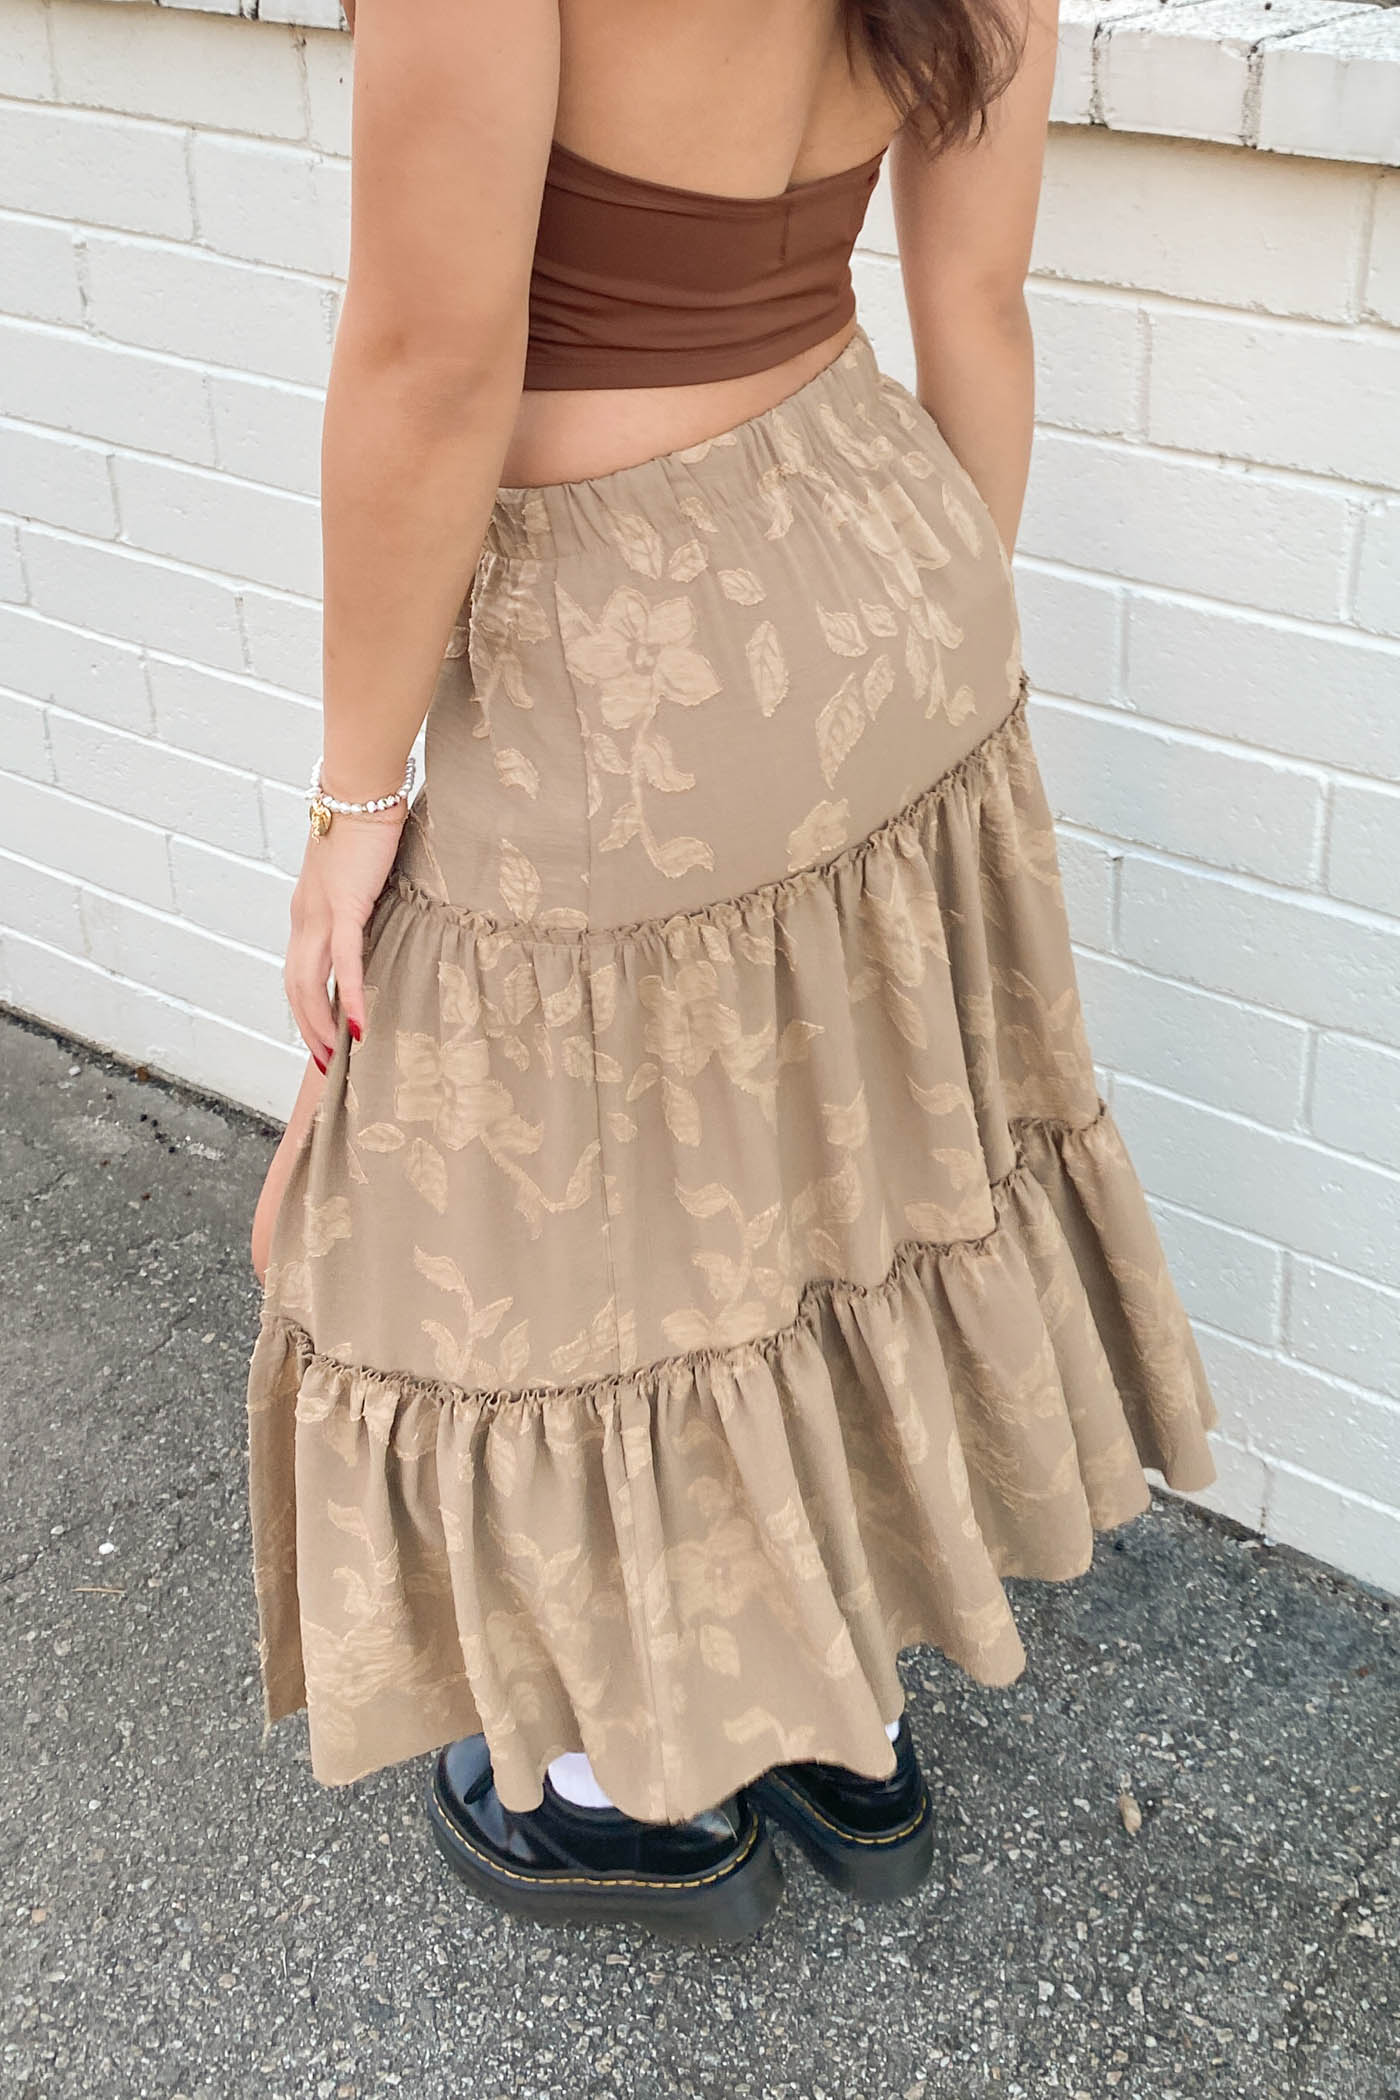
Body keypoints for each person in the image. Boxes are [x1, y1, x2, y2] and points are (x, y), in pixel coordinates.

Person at [246, 0, 1218, 1944]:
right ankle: (842, 1714)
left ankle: (639, 1789)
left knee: (548, 1232)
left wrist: (357, 791)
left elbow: (434, 361)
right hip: (888, 546)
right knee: (817, 1166)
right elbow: (983, 301)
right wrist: (909, 676)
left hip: (624, 645)